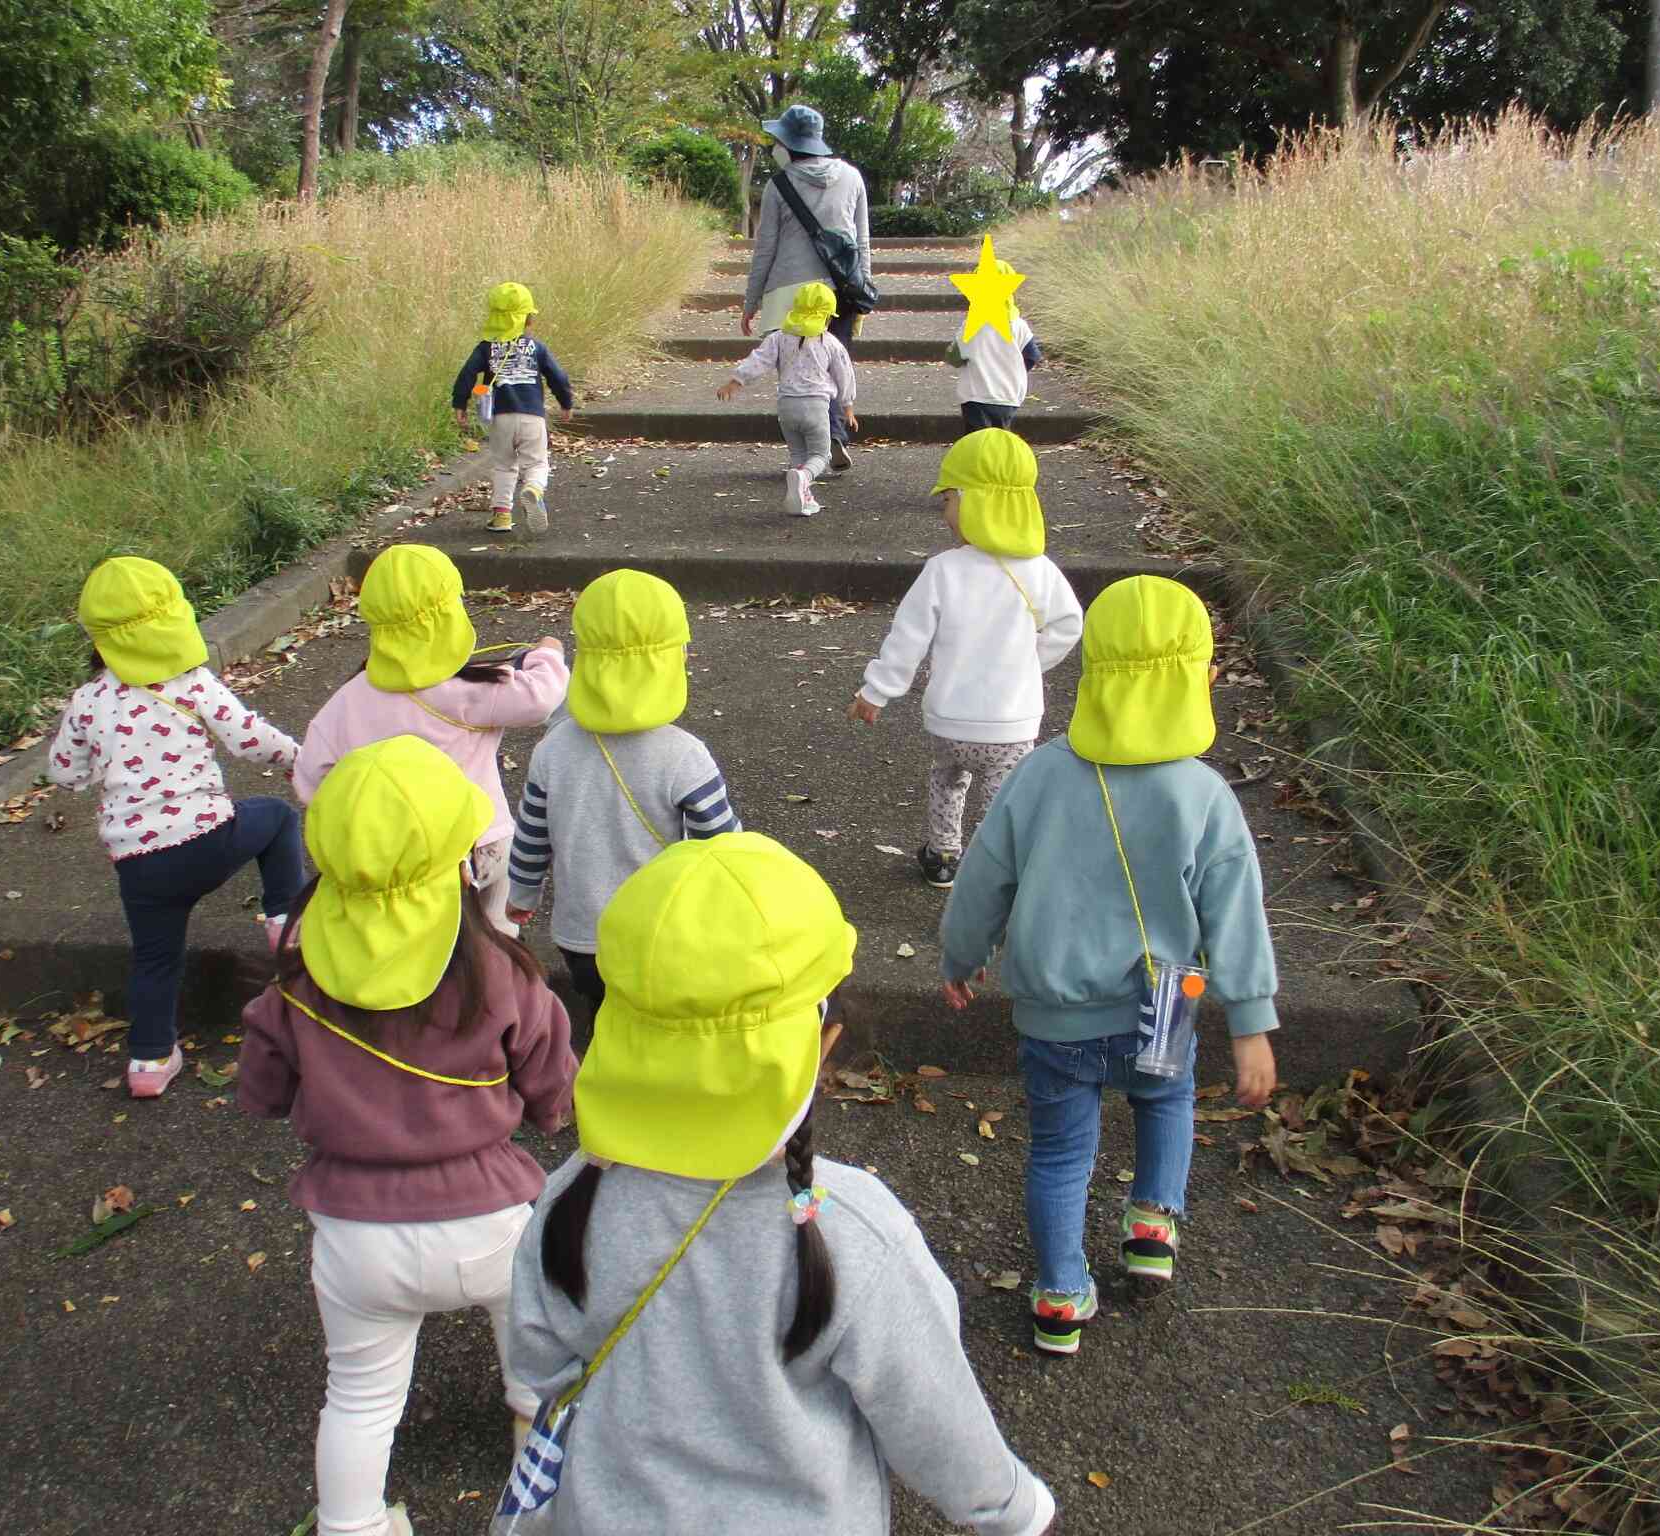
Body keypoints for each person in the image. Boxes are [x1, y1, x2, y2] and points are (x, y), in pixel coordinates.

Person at [503, 832, 1061, 1536]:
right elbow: (935, 1422)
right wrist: (1017, 1511)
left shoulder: (571, 1197)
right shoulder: (852, 1229)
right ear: (823, 1042)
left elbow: (541, 1365)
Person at [238, 736, 578, 1536]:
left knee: (358, 1398)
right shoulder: (503, 974)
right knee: (534, 1360)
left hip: (358, 1239)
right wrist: (550, 1115)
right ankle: (536, 1463)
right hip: (492, 1222)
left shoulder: (297, 982)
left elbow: (262, 1088)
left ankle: (351, 1525)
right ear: (458, 865)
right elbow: (550, 1082)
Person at [937, 574, 1281, 1356]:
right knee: (1166, 1102)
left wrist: (961, 956)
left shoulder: (1041, 775)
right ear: (1200, 682)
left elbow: (984, 875)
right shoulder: (1203, 795)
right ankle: (1153, 1222)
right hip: (1165, 1002)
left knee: (1061, 1149)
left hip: (1056, 1014)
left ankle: (1059, 1296)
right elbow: (1237, 915)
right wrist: (1253, 1023)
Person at [47, 556, 302, 1098]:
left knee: (155, 959)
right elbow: (250, 739)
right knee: (277, 818)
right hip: (208, 839)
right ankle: (284, 917)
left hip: (140, 866)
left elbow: (63, 773)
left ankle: (149, 1061)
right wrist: (301, 760)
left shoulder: (88, 701)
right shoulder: (192, 684)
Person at [847, 429, 1083, 891]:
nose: (945, 513)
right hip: (1012, 722)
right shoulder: (1042, 571)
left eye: (949, 499)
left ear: (974, 502)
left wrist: (875, 692)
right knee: (1004, 798)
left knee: (947, 782)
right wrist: (1028, 665)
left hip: (950, 720)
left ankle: (942, 856)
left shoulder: (943, 570)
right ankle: (1000, 866)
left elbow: (907, 640)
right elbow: (1068, 626)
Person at [295, 544, 568, 935]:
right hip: (482, 845)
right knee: (496, 938)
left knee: (426, 944)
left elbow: (310, 780)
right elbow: (541, 698)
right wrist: (548, 653)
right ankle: (502, 978)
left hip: (398, 862)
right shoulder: (469, 689)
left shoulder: (345, 702)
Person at [507, 569, 740, 1015]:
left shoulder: (552, 749)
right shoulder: (684, 756)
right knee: (657, 1024)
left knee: (604, 1014)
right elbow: (723, 847)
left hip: (581, 938)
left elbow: (532, 836)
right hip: (660, 935)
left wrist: (522, 894)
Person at [742, 104, 871, 476]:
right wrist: (862, 295)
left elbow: (765, 247)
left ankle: (810, 450)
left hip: (787, 292)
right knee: (832, 365)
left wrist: (751, 301)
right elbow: (861, 241)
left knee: (797, 373)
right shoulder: (852, 177)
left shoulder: (778, 185)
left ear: (785, 142)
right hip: (839, 291)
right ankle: (829, 439)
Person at [714, 280, 857, 518]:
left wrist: (735, 382)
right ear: (827, 318)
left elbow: (758, 360)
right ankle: (804, 478)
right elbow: (845, 374)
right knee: (821, 456)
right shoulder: (830, 342)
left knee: (798, 455)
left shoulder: (779, 338)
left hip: (787, 407)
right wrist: (848, 406)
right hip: (815, 407)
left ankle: (801, 497)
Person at [450, 282, 575, 535]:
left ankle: (502, 517)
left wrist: (459, 404)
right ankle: (534, 489)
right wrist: (566, 402)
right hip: (532, 417)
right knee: (537, 463)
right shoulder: (537, 347)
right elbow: (558, 377)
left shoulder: (486, 347)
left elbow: (466, 375)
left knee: (504, 466)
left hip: (500, 417)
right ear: (528, 319)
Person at [945, 258, 1044, 432]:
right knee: (1002, 438)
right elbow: (1032, 356)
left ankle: (977, 459)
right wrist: (1014, 369)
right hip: (1008, 395)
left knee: (977, 440)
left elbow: (954, 358)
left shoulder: (971, 327)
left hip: (975, 395)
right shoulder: (1018, 325)